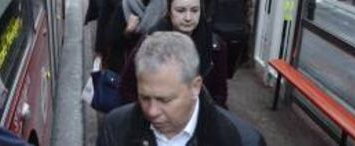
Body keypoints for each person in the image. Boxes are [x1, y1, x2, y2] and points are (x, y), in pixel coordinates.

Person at [97, 31, 266, 146]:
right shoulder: (115, 127)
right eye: (145, 97)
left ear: (195, 87)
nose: (152, 111)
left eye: (164, 100)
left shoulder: (244, 141)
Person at [120, 0, 228, 108]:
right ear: (169, 12)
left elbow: (220, 94)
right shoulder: (151, 40)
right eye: (181, 10)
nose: (188, 18)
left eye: (194, 10)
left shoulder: (215, 46)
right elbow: (128, 85)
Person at [201, 0, 253, 78]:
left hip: (211, 34)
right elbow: (248, 14)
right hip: (236, 36)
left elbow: (200, 10)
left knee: (210, 71)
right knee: (226, 73)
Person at [106, 0, 167, 73]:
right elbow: (111, 40)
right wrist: (127, 31)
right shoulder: (125, 5)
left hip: (156, 66)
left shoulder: (163, 4)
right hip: (128, 66)